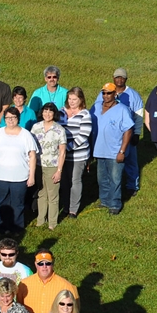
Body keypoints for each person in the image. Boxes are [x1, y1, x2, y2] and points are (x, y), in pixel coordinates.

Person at [0, 107, 38, 232]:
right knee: (2, 203)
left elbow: (32, 157)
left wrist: (31, 176)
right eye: (8, 118)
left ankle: (17, 227)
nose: (10, 120)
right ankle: (3, 226)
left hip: (20, 176)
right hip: (0, 176)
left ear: (18, 119)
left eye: (13, 117)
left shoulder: (26, 135)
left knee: (18, 204)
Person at [93, 83, 136, 215]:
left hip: (115, 151)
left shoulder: (122, 109)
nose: (106, 95)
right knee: (102, 178)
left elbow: (128, 130)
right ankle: (104, 200)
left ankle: (115, 204)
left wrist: (122, 151)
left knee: (115, 179)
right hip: (99, 150)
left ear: (115, 94)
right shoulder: (95, 107)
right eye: (104, 93)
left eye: (109, 93)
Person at [58, 87, 94, 219]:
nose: (72, 102)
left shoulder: (85, 114)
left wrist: (66, 148)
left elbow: (83, 136)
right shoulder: (61, 112)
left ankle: (73, 209)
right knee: (65, 182)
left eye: (75, 99)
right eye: (70, 99)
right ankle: (65, 206)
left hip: (78, 155)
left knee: (75, 181)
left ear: (81, 100)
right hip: (63, 156)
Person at [30, 103, 67, 229]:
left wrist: (59, 171)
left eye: (50, 112)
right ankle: (41, 220)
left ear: (54, 114)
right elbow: (31, 148)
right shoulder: (35, 127)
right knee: (41, 193)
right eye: (45, 111)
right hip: (38, 165)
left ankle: (52, 223)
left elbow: (62, 152)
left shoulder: (59, 130)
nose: (47, 114)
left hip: (53, 166)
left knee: (53, 195)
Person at [18, 249, 78, 313]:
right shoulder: (24, 284)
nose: (44, 266)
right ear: (36, 264)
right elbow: (19, 307)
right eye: (40, 263)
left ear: (53, 264)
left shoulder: (67, 286)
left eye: (48, 263)